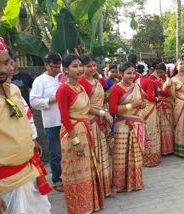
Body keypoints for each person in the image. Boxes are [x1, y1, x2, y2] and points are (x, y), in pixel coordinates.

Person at [0, 36, 51, 214]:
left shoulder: (14, 90)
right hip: (2, 185)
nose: (3, 69)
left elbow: (21, 122)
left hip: (29, 173)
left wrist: (31, 141)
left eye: (6, 62)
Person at [56, 54, 105, 213]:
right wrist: (75, 142)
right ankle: (79, 207)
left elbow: (87, 109)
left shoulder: (80, 87)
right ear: (65, 69)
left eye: (79, 66)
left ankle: (90, 203)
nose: (79, 69)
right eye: (74, 66)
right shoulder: (63, 89)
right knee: (76, 172)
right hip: (72, 135)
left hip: (84, 130)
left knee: (87, 168)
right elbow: (65, 118)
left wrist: (104, 114)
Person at [109, 62, 147, 197]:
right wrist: (132, 105)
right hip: (122, 125)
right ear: (121, 74)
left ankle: (135, 182)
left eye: (133, 73)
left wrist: (140, 107)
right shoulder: (116, 89)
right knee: (120, 155)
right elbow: (113, 109)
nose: (132, 76)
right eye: (128, 73)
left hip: (136, 124)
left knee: (135, 155)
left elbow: (141, 103)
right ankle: (118, 185)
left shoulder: (136, 86)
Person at [78, 53, 113, 197]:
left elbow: (103, 97)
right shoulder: (81, 83)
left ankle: (104, 188)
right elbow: (84, 107)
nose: (92, 68)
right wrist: (103, 114)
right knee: (93, 154)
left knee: (102, 152)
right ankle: (94, 190)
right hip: (90, 122)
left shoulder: (96, 81)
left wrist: (105, 113)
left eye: (94, 65)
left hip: (100, 120)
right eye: (88, 66)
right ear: (81, 67)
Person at [30, 52, 65, 192]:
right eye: (53, 67)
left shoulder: (64, 77)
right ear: (46, 65)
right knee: (55, 153)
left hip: (68, 120)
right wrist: (52, 100)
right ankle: (56, 179)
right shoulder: (40, 80)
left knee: (70, 151)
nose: (57, 70)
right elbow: (33, 101)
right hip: (52, 122)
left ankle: (71, 176)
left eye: (59, 66)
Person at [136, 62, 161, 167]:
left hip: (140, 109)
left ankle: (141, 157)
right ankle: (151, 158)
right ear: (147, 71)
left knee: (142, 132)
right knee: (151, 131)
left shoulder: (136, 81)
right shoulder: (148, 81)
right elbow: (150, 97)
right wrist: (157, 99)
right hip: (150, 108)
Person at [154, 63, 174, 155]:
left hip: (168, 106)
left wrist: (165, 86)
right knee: (161, 127)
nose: (159, 74)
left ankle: (170, 149)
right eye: (157, 72)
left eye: (161, 72)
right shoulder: (155, 82)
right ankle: (162, 149)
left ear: (165, 72)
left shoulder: (169, 81)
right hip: (159, 106)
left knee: (169, 127)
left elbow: (170, 94)